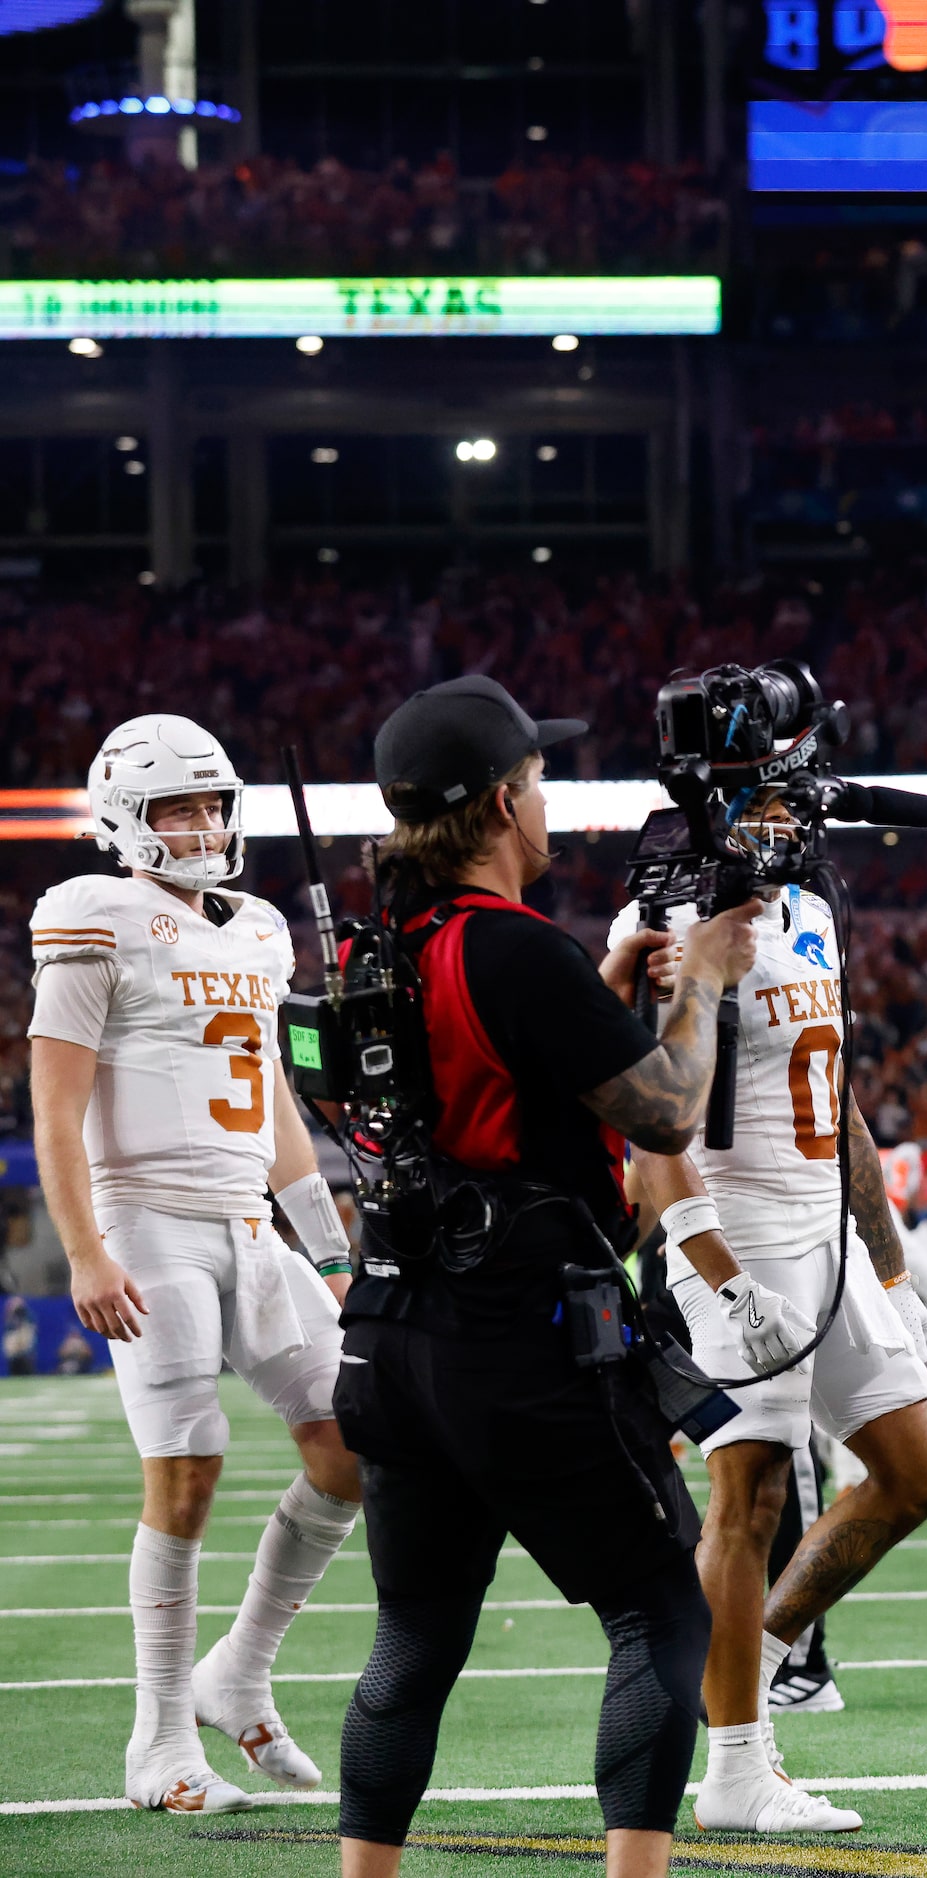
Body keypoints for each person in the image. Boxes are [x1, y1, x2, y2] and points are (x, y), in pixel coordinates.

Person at [327, 677, 762, 1878]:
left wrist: (603, 1003)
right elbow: (668, 1115)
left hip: (392, 1328)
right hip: (512, 1332)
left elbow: (452, 1102)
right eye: (539, 776)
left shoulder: (383, 942)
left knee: (412, 1639)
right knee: (661, 1613)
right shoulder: (513, 947)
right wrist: (706, 982)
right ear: (507, 799)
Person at [28, 716, 363, 1815]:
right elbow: (57, 1103)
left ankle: (240, 1668)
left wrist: (328, 1245)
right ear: (128, 817)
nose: (205, 825)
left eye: (214, 804)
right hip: (146, 1219)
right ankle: (159, 1743)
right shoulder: (91, 915)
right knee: (188, 1466)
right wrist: (84, 1248)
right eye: (180, 808)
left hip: (245, 1219)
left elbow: (273, 1101)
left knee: (353, 1440)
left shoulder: (260, 928)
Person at [609, 789, 927, 1835]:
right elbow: (646, 1123)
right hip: (740, 1229)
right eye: (751, 803)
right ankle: (734, 1772)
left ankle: (757, 1659)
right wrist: (713, 1271)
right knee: (749, 1497)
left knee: (911, 1476)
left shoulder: (806, 910)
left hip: (826, 1231)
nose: (777, 824)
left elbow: (840, 1104)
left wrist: (890, 1269)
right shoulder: (661, 921)